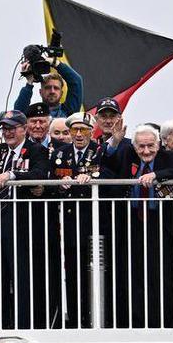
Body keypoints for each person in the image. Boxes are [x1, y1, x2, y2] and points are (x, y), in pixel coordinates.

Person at [101, 123, 173, 328]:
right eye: (141, 147)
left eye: (150, 146)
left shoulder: (169, 157)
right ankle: (133, 323)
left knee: (162, 275)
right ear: (134, 147)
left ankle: (165, 323)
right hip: (132, 224)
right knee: (132, 275)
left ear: (159, 144)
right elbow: (106, 165)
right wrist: (116, 141)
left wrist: (157, 175)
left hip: (161, 225)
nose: (146, 151)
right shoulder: (127, 155)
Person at [0, 110, 50, 329]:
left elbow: (39, 174)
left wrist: (12, 176)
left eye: (12, 128)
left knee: (22, 274)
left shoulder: (37, 150)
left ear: (24, 129)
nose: (8, 132)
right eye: (4, 128)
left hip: (23, 220)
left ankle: (25, 324)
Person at [50, 112, 103, 328]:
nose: (79, 134)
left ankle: (95, 317)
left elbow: (107, 172)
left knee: (95, 270)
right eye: (75, 130)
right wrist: (59, 184)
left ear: (91, 131)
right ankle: (74, 317)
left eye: (83, 130)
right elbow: (49, 178)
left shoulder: (99, 152)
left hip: (94, 220)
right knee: (72, 271)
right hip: (70, 220)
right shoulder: (60, 153)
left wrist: (90, 178)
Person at [13, 60, 83, 118]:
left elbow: (76, 81)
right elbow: (18, 114)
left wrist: (56, 63)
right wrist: (29, 82)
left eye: (56, 88)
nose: (52, 91)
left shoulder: (68, 112)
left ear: (61, 93)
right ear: (40, 92)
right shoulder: (32, 113)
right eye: (48, 88)